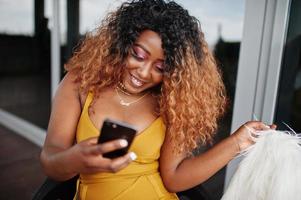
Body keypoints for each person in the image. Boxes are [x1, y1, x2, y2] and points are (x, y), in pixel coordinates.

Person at [40, 0, 274, 199]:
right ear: (122, 43)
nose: (143, 72)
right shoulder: (80, 82)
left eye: (160, 67)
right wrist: (75, 159)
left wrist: (237, 143)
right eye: (138, 55)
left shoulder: (172, 102)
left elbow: (174, 179)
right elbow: (50, 160)